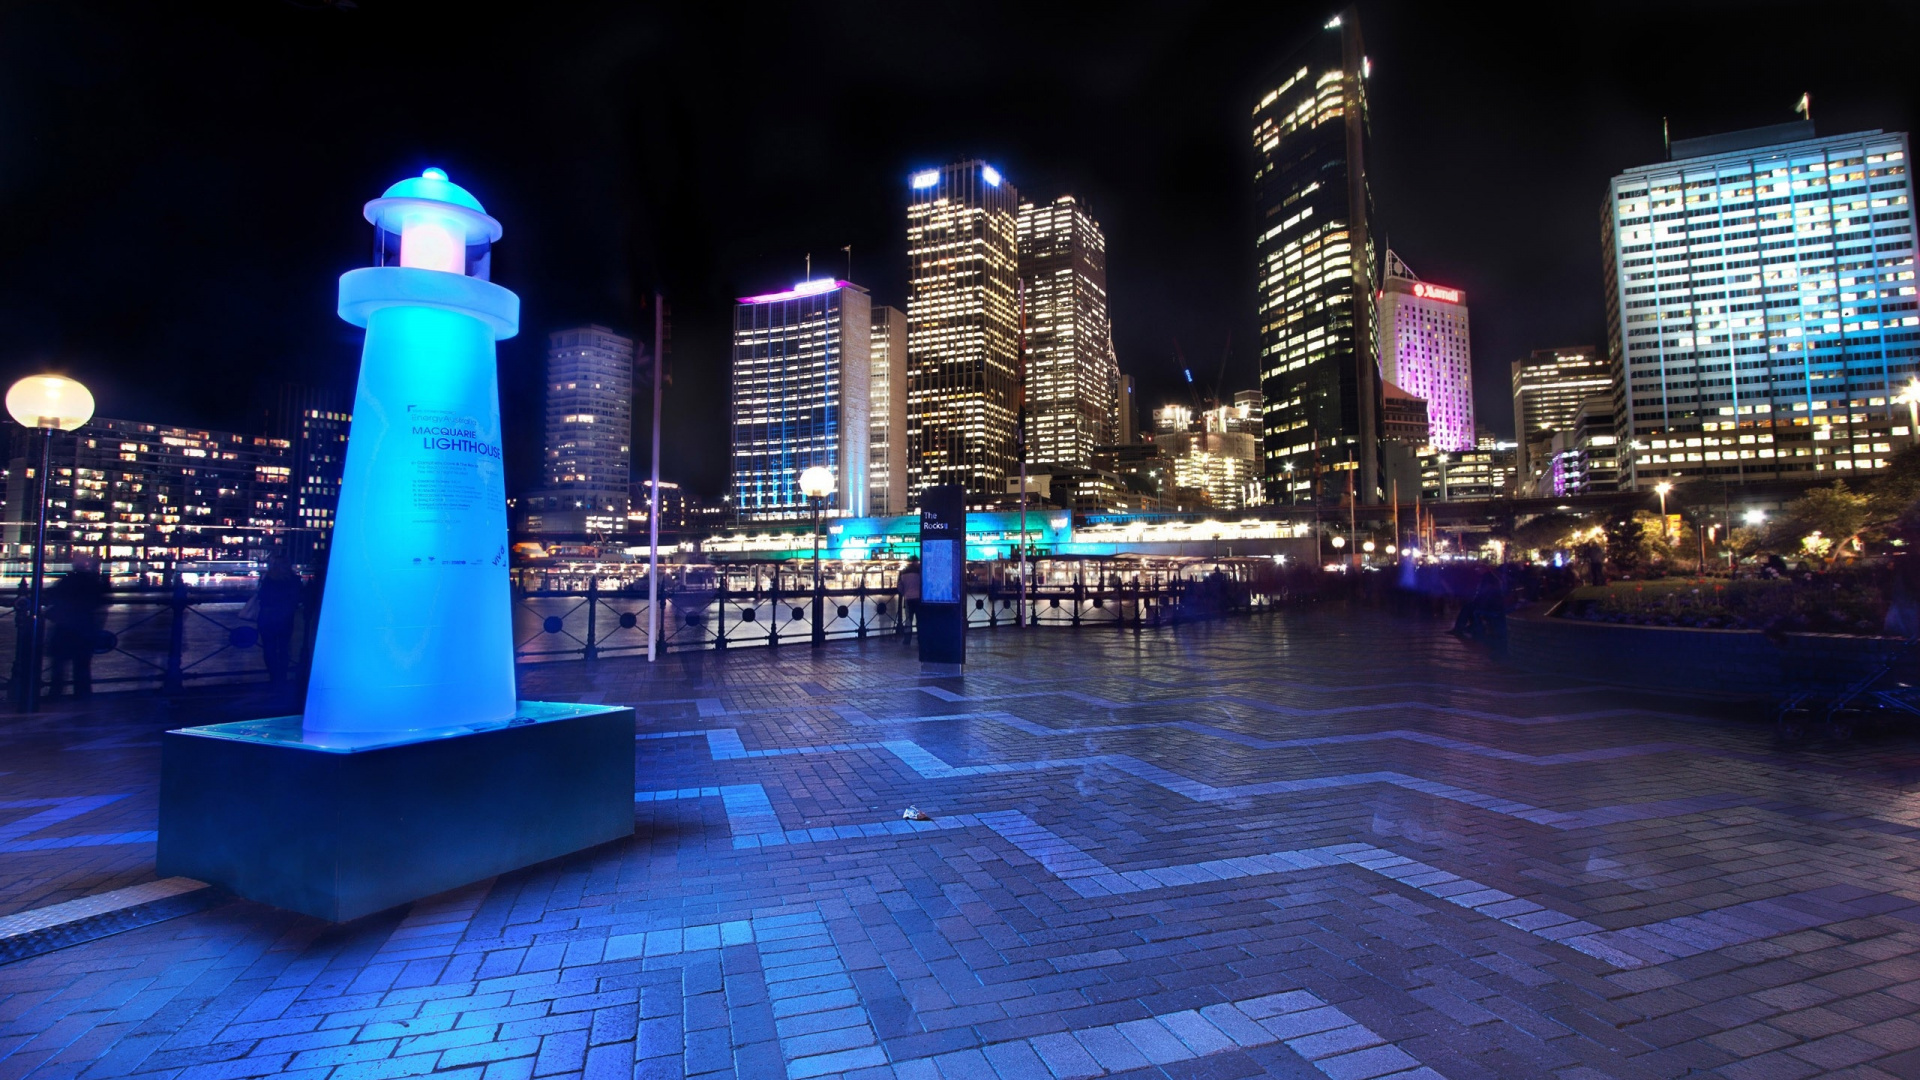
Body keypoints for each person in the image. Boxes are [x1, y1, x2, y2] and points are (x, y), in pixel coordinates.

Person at [45, 553, 107, 699]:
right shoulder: (93, 582)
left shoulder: (67, 581)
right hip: (85, 627)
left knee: (59, 666)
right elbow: (100, 602)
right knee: (82, 666)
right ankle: (82, 695)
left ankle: (55, 694)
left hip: (65, 627)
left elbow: (52, 597)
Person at [252, 554, 304, 683]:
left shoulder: (267, 579)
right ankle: (282, 676)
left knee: (269, 648)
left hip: (267, 617)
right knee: (284, 648)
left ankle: (273, 676)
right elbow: (299, 598)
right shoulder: (294, 580)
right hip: (286, 617)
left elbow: (262, 597)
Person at [897, 557, 921, 638]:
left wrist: (904, 593)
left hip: (908, 598)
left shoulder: (903, 573)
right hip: (918, 598)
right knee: (919, 618)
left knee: (908, 619)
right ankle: (920, 636)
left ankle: (907, 638)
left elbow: (899, 586)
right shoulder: (919, 572)